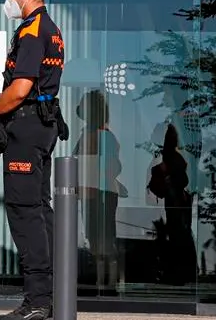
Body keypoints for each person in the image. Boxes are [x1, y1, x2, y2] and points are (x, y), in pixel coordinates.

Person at [0, 0, 67, 320]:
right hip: (42, 126)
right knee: (40, 208)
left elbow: (20, 89)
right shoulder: (53, 29)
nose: (8, 1)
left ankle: (37, 301)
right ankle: (51, 296)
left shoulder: (33, 31)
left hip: (28, 125)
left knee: (24, 211)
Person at [73, 89, 124, 291]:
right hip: (95, 191)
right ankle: (104, 281)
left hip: (97, 192)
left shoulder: (101, 136)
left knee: (102, 239)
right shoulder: (97, 135)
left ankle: (108, 283)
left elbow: (111, 166)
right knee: (98, 239)